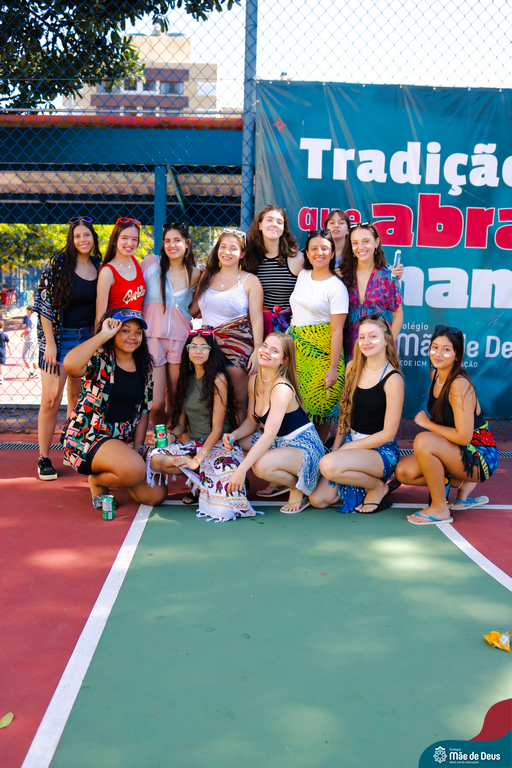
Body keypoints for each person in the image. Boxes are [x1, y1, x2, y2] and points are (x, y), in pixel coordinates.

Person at [147, 329, 257, 522]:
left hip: (219, 446)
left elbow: (217, 429)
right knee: (156, 460)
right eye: (194, 347)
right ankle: (203, 481)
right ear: (187, 350)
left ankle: (211, 480)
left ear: (211, 351)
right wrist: (170, 437)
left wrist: (196, 460)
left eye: (204, 347)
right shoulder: (186, 378)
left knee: (225, 512)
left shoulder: (218, 379)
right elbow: (181, 425)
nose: (198, 351)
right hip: (195, 445)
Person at [61, 308, 166, 510]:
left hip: (122, 439)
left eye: (137, 332)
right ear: (113, 331)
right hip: (90, 436)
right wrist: (103, 335)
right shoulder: (100, 358)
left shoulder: (144, 366)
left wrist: (137, 448)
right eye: (125, 330)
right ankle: (98, 482)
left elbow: (144, 410)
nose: (132, 337)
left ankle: (121, 471)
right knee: (135, 470)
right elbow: (70, 364)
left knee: (156, 495)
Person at [394, 325, 499, 525]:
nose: (438, 353)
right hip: (456, 450)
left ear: (457, 355)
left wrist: (427, 424)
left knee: (424, 440)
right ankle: (462, 484)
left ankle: (440, 508)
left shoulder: (459, 384)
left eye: (446, 349)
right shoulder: (435, 375)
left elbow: (464, 437)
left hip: (480, 455)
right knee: (404, 472)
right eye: (435, 347)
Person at [310, 315, 404, 513]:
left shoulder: (393, 379)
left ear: (386, 340)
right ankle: (361, 480)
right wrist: (337, 447)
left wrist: (348, 447)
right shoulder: (352, 368)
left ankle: (378, 486)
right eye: (362, 337)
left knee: (328, 465)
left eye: (373, 336)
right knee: (318, 500)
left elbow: (388, 434)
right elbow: (345, 412)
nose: (366, 342)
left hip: (380, 451)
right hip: (352, 445)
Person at [223, 332, 325, 513]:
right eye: (264, 346)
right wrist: (234, 434)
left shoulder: (281, 388)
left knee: (261, 467)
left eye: (274, 351)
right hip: (280, 443)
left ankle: (297, 488)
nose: (266, 352)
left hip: (304, 447)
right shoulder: (254, 380)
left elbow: (269, 435)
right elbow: (252, 420)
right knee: (235, 445)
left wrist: (241, 470)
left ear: (284, 360)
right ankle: (281, 478)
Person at [34, 216, 101, 480]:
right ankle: (43, 457)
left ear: (94, 237)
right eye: (77, 236)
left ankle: (71, 448)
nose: (83, 240)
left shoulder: (100, 266)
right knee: (51, 398)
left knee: (77, 397)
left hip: (87, 340)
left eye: (87, 235)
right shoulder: (58, 265)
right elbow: (44, 305)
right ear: (71, 240)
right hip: (60, 340)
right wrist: (50, 344)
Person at [192, 229, 263, 421]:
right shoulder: (207, 277)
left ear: (242, 254)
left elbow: (257, 318)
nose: (227, 252)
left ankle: (237, 437)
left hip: (237, 347)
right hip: (208, 346)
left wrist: (257, 349)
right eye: (223, 247)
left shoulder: (250, 281)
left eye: (233, 248)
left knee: (238, 402)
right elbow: (192, 310)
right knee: (207, 399)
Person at [287, 229, 348, 442]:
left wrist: (333, 368)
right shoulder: (302, 275)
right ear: (307, 253)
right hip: (297, 351)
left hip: (322, 354)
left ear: (332, 253)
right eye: (314, 248)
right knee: (296, 406)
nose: (319, 253)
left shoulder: (337, 288)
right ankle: (299, 452)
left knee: (320, 408)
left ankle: (317, 452)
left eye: (324, 248)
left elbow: (337, 330)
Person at [141, 223, 201, 426]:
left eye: (177, 240)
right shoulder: (150, 263)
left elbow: (196, 308)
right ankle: (159, 433)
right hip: (152, 337)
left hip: (180, 338)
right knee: (156, 403)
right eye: (167, 241)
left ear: (187, 243)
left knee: (175, 395)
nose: (171, 245)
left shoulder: (195, 273)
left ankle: (170, 435)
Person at [340, 221, 404, 360]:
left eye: (366, 241)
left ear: (376, 242)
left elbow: (398, 316)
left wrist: (388, 345)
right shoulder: (344, 276)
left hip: (380, 346)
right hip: (353, 345)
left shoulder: (388, 276)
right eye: (355, 243)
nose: (361, 247)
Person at [243, 205, 302, 336]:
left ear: (283, 228)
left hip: (289, 330)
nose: (274, 224)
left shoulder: (297, 259)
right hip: (258, 328)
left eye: (279, 222)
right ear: (260, 225)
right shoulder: (248, 258)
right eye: (269, 220)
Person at [95, 217, 146, 326]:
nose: (130, 243)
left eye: (134, 239)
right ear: (114, 240)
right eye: (124, 238)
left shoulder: (135, 261)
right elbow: (100, 317)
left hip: (136, 330)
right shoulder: (107, 272)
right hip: (116, 331)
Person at [20, 306, 38, 378]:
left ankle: (31, 371)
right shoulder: (36, 318)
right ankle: (36, 371)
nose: (26, 312)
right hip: (35, 339)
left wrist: (21, 334)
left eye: (27, 311)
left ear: (30, 311)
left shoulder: (28, 318)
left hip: (29, 340)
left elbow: (28, 329)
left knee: (25, 357)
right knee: (34, 357)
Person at [0, 319, 11, 383]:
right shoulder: (4, 334)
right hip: (2, 350)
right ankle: (1, 377)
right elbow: (8, 343)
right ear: (3, 326)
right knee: (2, 364)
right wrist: (10, 351)